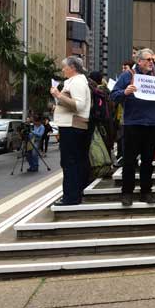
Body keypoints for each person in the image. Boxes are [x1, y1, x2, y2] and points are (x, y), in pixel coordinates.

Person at [111, 48, 155, 207]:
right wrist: (125, 91)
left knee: (148, 161)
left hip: (150, 124)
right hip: (132, 124)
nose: (151, 62)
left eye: (152, 60)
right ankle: (127, 193)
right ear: (139, 61)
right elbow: (113, 95)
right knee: (129, 161)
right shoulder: (128, 76)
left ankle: (146, 192)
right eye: (148, 60)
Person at [50, 56, 91, 206]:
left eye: (64, 67)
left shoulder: (78, 82)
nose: (62, 70)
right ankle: (75, 194)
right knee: (74, 161)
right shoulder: (75, 82)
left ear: (73, 67)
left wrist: (58, 95)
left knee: (69, 162)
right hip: (72, 125)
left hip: (72, 126)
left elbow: (79, 105)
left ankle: (71, 197)